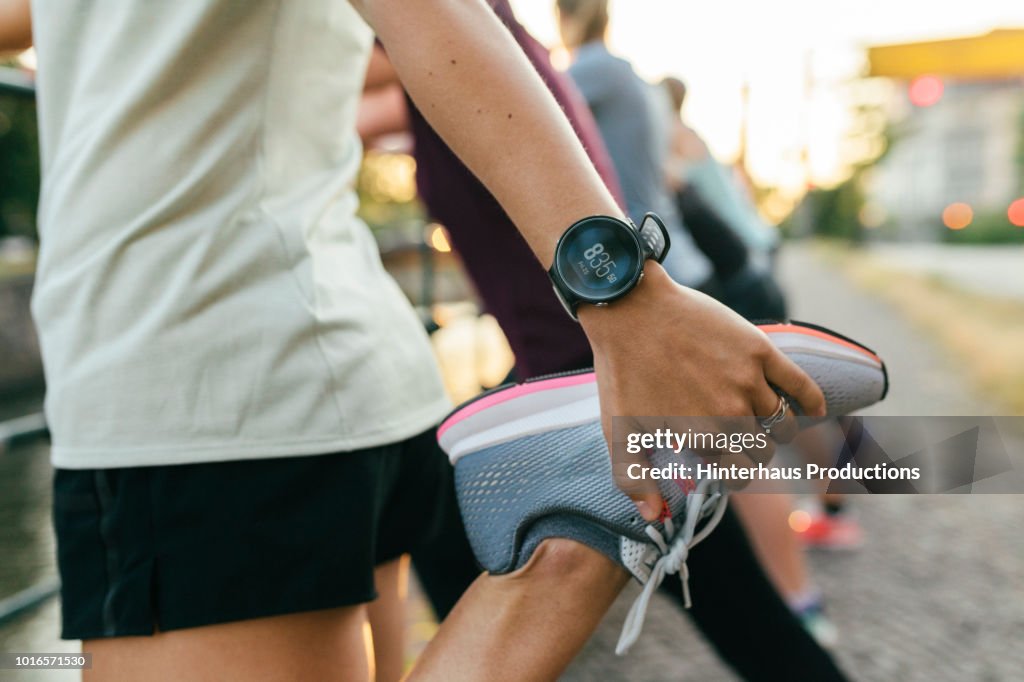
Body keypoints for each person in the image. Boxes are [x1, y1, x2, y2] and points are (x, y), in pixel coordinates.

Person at [6, 0, 825, 679]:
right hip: (296, 373)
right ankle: (566, 553)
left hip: (206, 394)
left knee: (750, 607)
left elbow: (431, 14)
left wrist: (624, 298)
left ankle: (570, 553)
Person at [358, 3, 848, 679]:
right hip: (574, 368)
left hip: (592, 374)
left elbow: (349, 90)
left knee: (438, 520)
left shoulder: (465, 51)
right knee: (744, 613)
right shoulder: (488, 59)